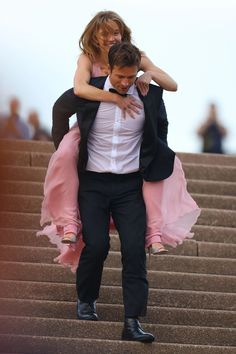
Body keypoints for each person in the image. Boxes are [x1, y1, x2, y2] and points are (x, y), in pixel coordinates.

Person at [52, 41, 177, 343]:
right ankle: (86, 298)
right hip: (93, 184)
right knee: (96, 245)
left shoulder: (148, 93)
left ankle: (132, 322)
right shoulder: (90, 91)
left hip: (129, 187)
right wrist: (62, 152)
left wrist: (152, 158)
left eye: (130, 77)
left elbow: (161, 125)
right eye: (120, 76)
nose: (124, 83)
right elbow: (59, 109)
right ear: (109, 68)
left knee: (135, 252)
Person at [38, 10, 187, 259]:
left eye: (115, 32)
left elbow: (172, 84)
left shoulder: (134, 56)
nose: (111, 38)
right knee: (64, 153)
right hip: (92, 128)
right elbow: (79, 88)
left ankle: (154, 233)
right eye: (105, 33)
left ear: (123, 34)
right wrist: (114, 99)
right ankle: (69, 221)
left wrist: (148, 74)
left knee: (159, 161)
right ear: (94, 36)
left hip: (129, 131)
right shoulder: (88, 58)